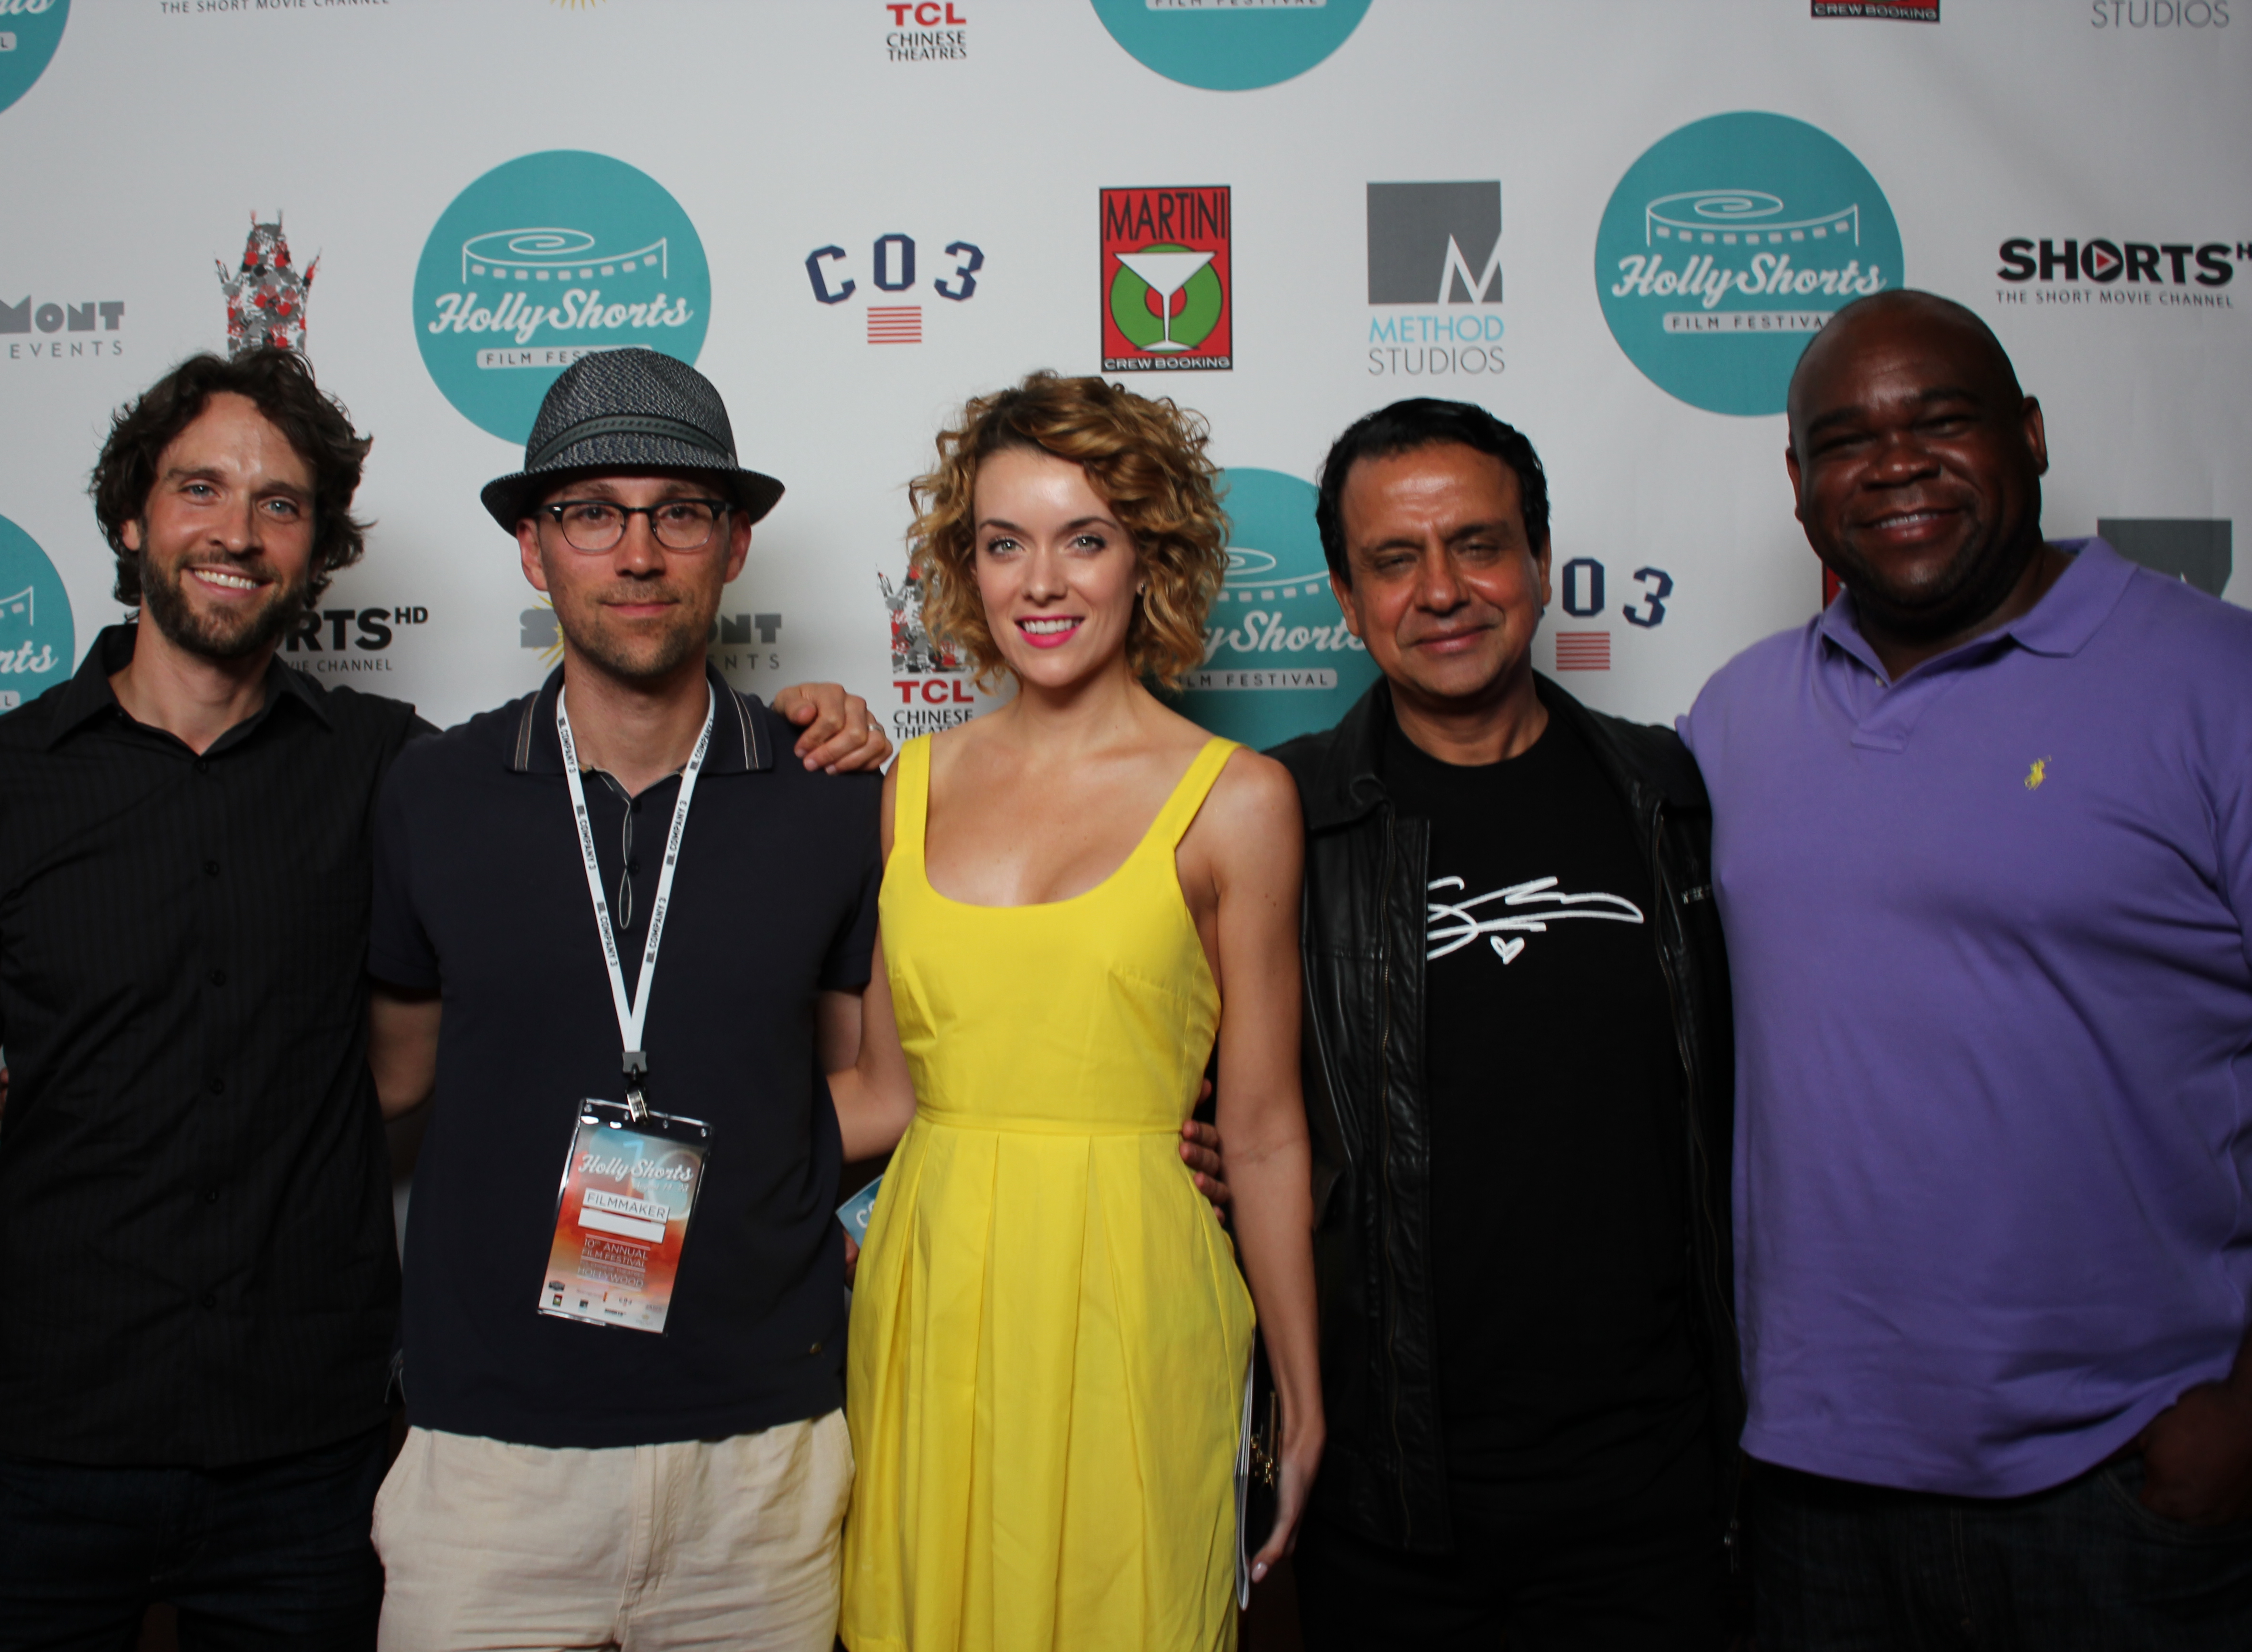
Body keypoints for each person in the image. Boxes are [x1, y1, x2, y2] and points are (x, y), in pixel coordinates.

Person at [0, 348, 886, 1650]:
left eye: (279, 503)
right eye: (199, 490)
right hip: (57, 1435)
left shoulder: (389, 770)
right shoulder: (1, 788)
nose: (235, 531)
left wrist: (820, 731)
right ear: (133, 516)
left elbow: (857, 1063)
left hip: (320, 1454)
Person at [362, 351, 1230, 1651]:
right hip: (490, 1461)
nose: (638, 552)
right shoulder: (430, 794)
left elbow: (881, 1085)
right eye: (592, 514)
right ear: (534, 550)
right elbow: (396, 1086)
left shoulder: (839, 800)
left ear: (737, 544)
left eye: (681, 514)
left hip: (761, 1461)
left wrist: (1110, 1144)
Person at [1680, 289, 2252, 1647]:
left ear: (2033, 436)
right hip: (1807, 1484)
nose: (1896, 464)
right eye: (1847, 439)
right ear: (1801, 486)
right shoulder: (1739, 711)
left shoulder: (2215, 681)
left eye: (1942, 422)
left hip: (2122, 1480)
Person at [829, 371, 1324, 1652]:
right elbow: (880, 1095)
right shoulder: (908, 784)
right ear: (966, 569)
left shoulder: (1238, 801)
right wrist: (645, 1138)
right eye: (1005, 544)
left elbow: (1265, 1130)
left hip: (1134, 1296)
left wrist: (1304, 1391)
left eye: (1083, 538)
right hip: (930, 1293)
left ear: (1145, 554)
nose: (1041, 583)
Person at [1271, 398, 1742, 1648]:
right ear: (1343, 593)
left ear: (1541, 561)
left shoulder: (1672, 795)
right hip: (1395, 1504)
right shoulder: (1280, 819)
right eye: (1394, 560)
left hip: (1658, 1489)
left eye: (1478, 545)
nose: (1442, 590)